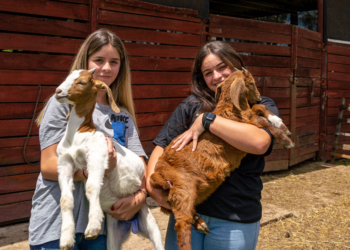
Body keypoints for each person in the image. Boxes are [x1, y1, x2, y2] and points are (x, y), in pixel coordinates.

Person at [146, 41, 279, 250]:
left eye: (222, 67)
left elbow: (260, 142)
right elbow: (161, 145)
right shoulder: (191, 105)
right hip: (188, 211)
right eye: (208, 73)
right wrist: (151, 188)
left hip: (234, 218)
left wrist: (209, 121)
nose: (216, 76)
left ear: (236, 65)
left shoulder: (259, 105)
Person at [29, 29, 148, 250]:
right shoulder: (63, 104)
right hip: (56, 223)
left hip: (100, 227)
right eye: (99, 60)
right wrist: (94, 170)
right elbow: (47, 166)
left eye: (114, 61)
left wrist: (140, 198)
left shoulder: (122, 114)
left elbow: (140, 165)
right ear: (86, 61)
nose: (106, 68)